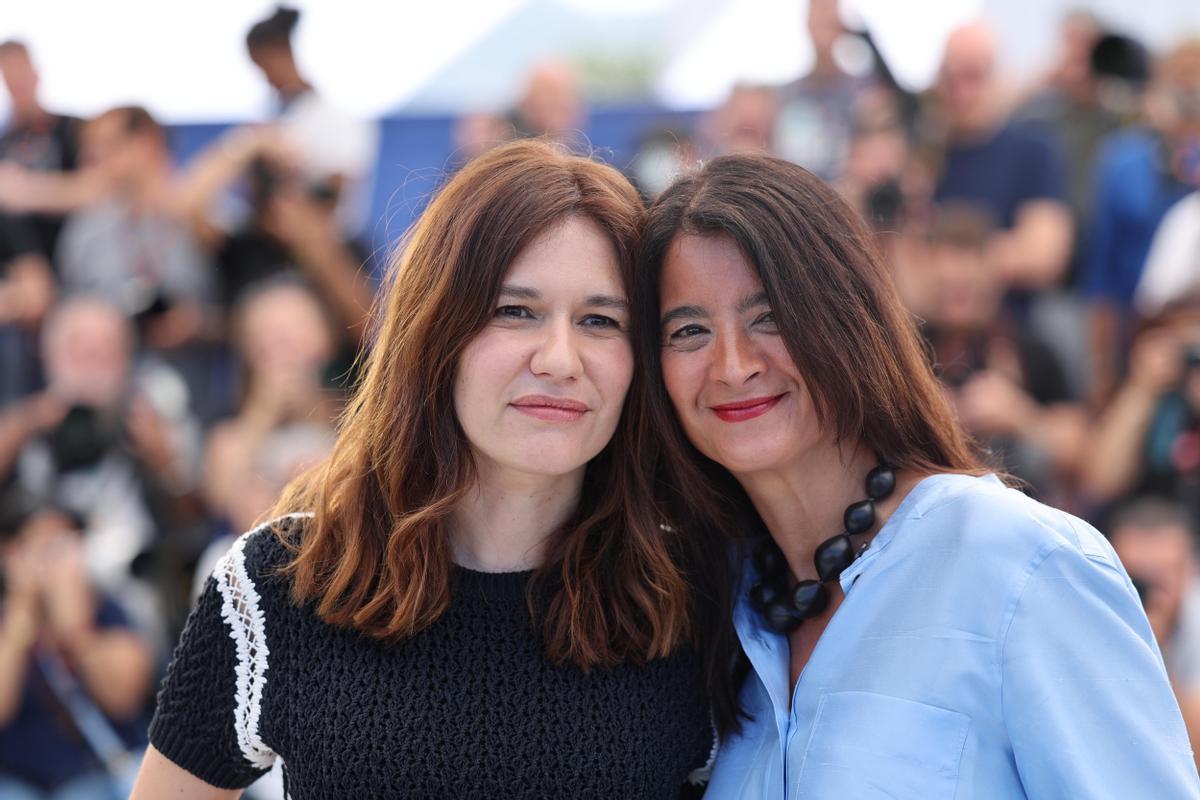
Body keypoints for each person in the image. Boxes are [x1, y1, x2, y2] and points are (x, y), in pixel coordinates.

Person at [130, 139, 730, 798]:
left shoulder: (694, 594)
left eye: (600, 319)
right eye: (516, 311)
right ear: (435, 332)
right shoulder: (282, 582)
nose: (561, 358)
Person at [633, 152, 1200, 797]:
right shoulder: (707, 603)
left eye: (769, 317)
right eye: (689, 330)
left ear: (847, 320)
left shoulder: (1024, 564)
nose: (732, 366)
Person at [244, 5, 378, 236]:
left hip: (332, 241)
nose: (265, 79)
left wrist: (289, 165)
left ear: (282, 53)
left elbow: (335, 193)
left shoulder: (337, 117)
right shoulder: (275, 118)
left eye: (264, 67)